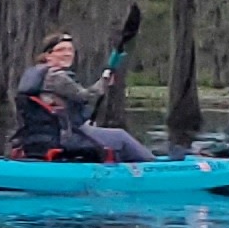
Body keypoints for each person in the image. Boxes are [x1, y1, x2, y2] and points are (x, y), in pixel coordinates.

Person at [11, 32, 152, 162]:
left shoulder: (35, 75)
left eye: (70, 50)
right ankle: (154, 167)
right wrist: (104, 81)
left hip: (40, 138)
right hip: (67, 136)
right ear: (48, 55)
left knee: (111, 139)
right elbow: (86, 96)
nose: (67, 54)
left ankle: (125, 164)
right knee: (120, 137)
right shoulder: (56, 76)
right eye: (61, 50)